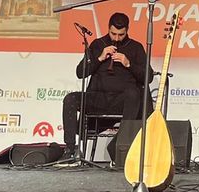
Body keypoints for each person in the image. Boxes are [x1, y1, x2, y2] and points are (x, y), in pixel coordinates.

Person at [60, 12, 148, 163]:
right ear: (108, 28)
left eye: (121, 35)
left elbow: (148, 76)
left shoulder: (135, 47)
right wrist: (100, 58)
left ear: (127, 30)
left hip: (122, 101)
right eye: (113, 34)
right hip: (98, 98)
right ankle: (70, 149)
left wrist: (128, 63)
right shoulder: (98, 44)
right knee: (70, 99)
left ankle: (119, 145)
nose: (116, 38)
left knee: (133, 93)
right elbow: (80, 73)